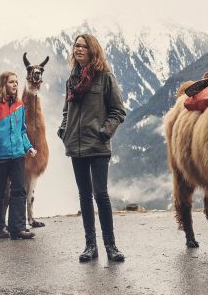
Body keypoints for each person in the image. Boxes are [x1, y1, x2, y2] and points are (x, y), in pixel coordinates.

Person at [58, 34, 127, 262]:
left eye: (82, 46)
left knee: (101, 195)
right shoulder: (72, 80)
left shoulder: (105, 77)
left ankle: (111, 245)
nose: (78, 49)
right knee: (84, 196)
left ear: (92, 50)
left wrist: (104, 132)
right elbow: (67, 111)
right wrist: (63, 129)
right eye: (76, 46)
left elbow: (118, 111)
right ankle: (90, 246)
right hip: (76, 147)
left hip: (97, 146)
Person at [0, 71, 37, 240]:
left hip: (17, 155)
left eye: (16, 82)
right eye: (11, 82)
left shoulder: (19, 105)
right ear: (3, 84)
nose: (15, 85)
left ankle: (17, 228)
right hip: (0, 156)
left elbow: (22, 130)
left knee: (19, 190)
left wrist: (28, 147)